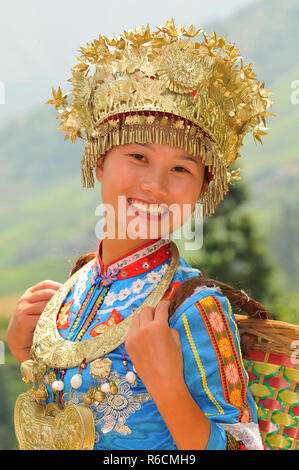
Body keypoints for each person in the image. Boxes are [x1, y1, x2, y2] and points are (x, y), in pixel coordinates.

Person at [7, 19, 274, 450]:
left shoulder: (195, 309)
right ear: (98, 161)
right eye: (138, 155)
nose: (155, 184)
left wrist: (167, 383)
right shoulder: (73, 292)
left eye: (182, 169)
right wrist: (27, 354)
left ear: (203, 190)